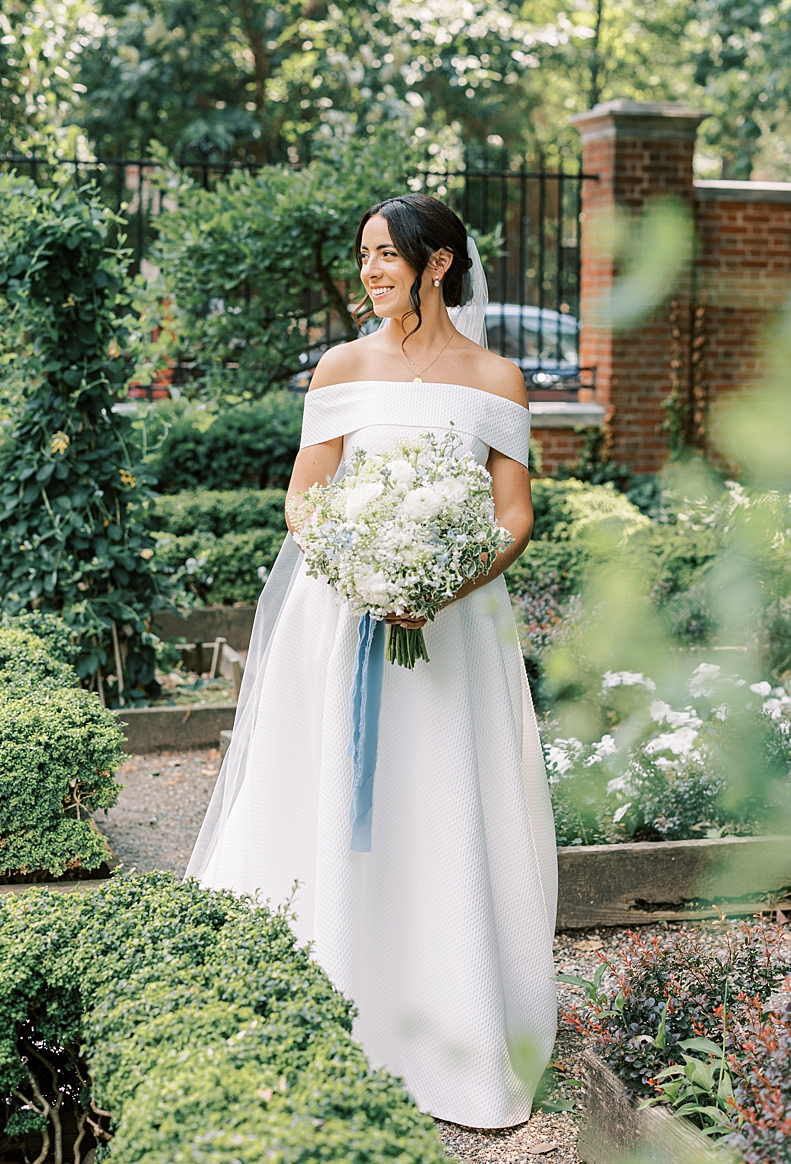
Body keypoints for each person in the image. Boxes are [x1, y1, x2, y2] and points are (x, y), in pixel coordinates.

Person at [187, 193, 557, 1130]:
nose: (370, 271)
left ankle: (450, 1022)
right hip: (341, 619)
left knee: (438, 801)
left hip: (452, 625)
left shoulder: (498, 379)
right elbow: (303, 504)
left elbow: (512, 516)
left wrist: (440, 583)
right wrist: (362, 569)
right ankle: (318, 1017)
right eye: (364, 257)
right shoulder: (341, 367)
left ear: (438, 264)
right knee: (328, 798)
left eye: (387, 255)